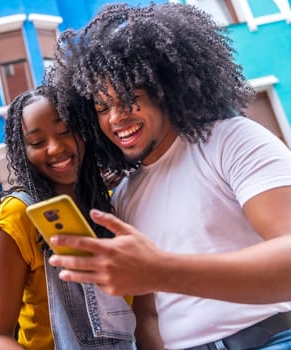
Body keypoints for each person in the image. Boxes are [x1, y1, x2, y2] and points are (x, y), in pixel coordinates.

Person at [47, 3, 291, 350]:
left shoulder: (232, 140)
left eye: (130, 99)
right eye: (102, 108)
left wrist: (161, 270)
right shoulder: (127, 195)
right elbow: (149, 315)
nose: (116, 118)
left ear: (166, 90)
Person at [0, 85, 135, 349]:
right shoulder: (16, 216)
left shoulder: (115, 204)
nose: (55, 148)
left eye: (65, 132)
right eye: (37, 142)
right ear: (23, 151)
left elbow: (143, 314)